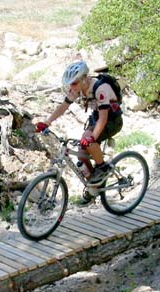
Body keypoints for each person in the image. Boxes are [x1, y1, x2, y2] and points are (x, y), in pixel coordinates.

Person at [35, 60, 123, 204]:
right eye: (70, 84)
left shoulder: (101, 89)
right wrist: (47, 122)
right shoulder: (78, 88)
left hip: (112, 120)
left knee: (88, 139)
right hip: (97, 118)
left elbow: (103, 119)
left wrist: (92, 137)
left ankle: (102, 167)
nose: (72, 87)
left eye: (74, 83)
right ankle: (94, 185)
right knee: (81, 152)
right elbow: (63, 106)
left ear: (84, 79)